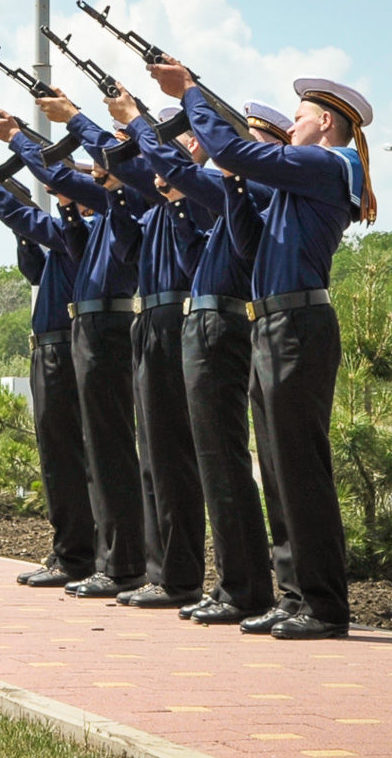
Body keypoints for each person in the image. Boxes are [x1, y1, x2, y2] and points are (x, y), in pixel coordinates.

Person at [152, 63, 375, 641]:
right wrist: (229, 180)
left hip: (300, 324)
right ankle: (294, 594)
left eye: (299, 114)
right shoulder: (300, 181)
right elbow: (250, 241)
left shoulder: (326, 164)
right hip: (274, 324)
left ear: (324, 122)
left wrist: (193, 93)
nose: (293, 120)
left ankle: (324, 606)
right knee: (276, 470)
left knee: (299, 470)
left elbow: (232, 146)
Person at [124, 99, 288, 625]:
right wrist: (175, 204)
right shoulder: (232, 196)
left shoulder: (260, 187)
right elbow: (194, 257)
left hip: (223, 328)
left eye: (253, 144)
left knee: (223, 460)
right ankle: (233, 583)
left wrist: (134, 119)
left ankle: (246, 587)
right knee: (214, 461)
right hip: (204, 323)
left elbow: (175, 169)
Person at [1, 99, 147, 599]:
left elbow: (41, 211)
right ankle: (82, 554)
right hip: (77, 336)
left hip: (102, 333)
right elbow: (37, 262)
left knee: (107, 453)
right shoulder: (91, 225)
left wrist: (11, 146)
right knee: (71, 454)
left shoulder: (111, 215)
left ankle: (116, 558)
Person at [0, 140, 98, 588]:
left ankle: (77, 553)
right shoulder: (65, 236)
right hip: (48, 347)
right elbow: (34, 270)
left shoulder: (87, 233)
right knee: (57, 458)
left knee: (69, 457)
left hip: (67, 348)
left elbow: (35, 225)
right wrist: (21, 227)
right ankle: (68, 548)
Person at [101, 97, 210, 610]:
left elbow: (192, 254)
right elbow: (127, 248)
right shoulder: (159, 205)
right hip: (149, 322)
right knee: (153, 460)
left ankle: (181, 575)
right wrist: (119, 194)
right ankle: (158, 570)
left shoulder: (202, 195)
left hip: (175, 319)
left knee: (173, 458)